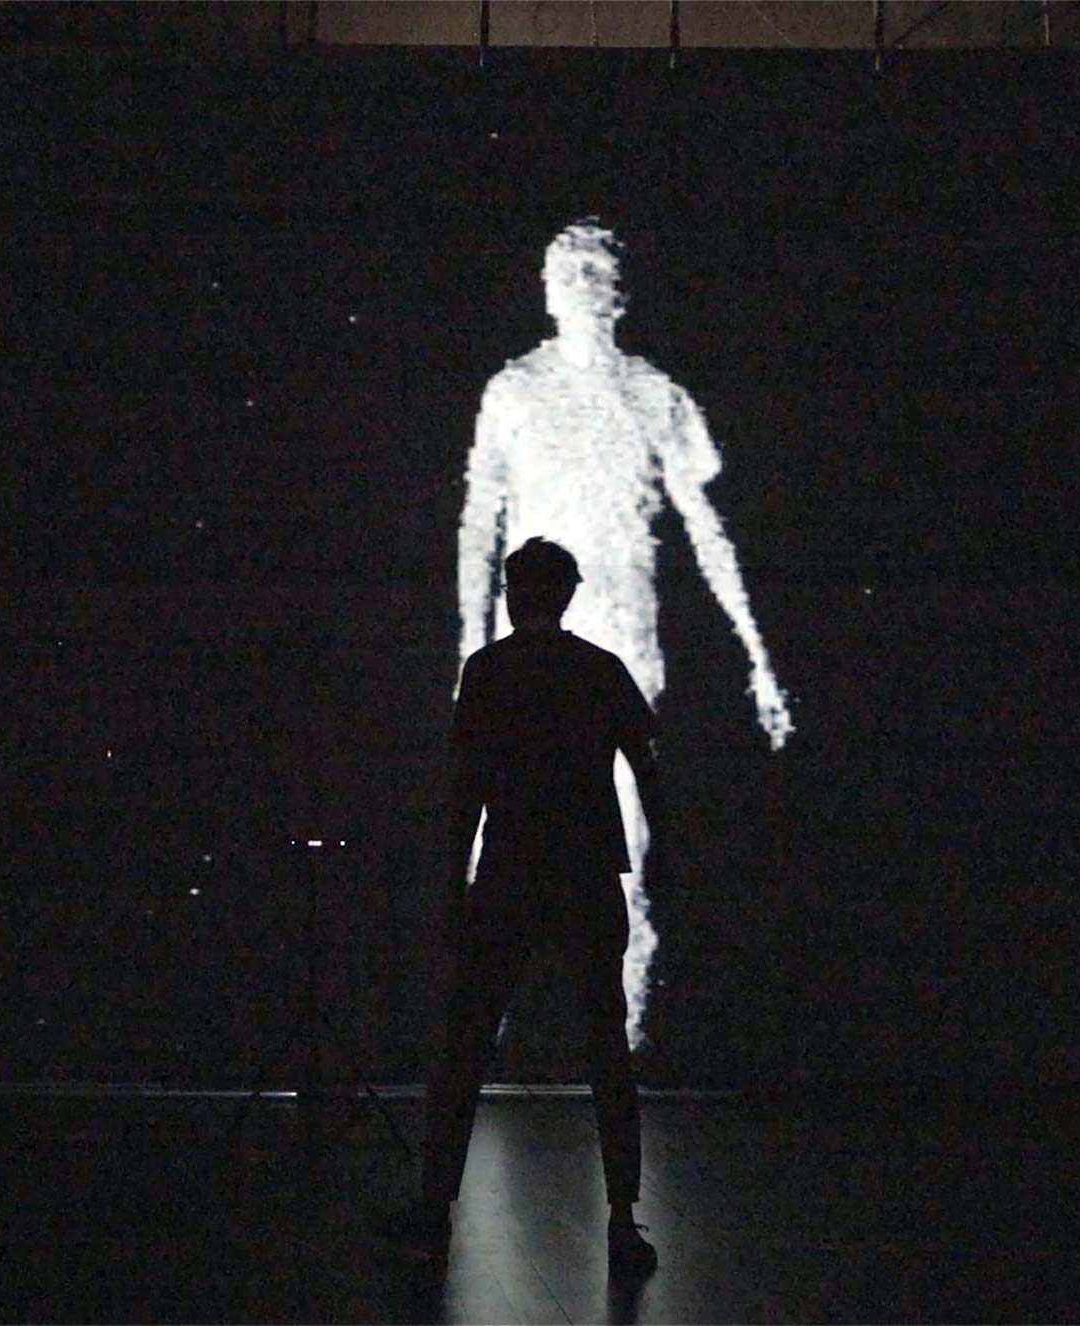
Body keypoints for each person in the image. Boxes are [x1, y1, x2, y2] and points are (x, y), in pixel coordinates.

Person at [458, 220, 791, 1050]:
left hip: (620, 637)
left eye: (593, 270)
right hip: (522, 647)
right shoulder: (513, 392)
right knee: (497, 825)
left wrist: (757, 656)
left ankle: (624, 1039)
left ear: (619, 291)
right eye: (564, 269)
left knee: (623, 833)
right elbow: (478, 519)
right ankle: (485, 1027)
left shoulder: (654, 395)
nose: (578, 283)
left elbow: (704, 523)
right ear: (546, 287)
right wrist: (471, 642)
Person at [388, 537, 661, 1273]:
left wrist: (452, 884)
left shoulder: (489, 672)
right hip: (585, 876)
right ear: (567, 594)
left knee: (466, 1043)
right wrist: (663, 856)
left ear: (514, 594)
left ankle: (434, 1210)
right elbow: (648, 765)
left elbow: (465, 789)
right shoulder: (600, 670)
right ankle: (622, 1219)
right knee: (606, 1048)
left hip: (509, 872)